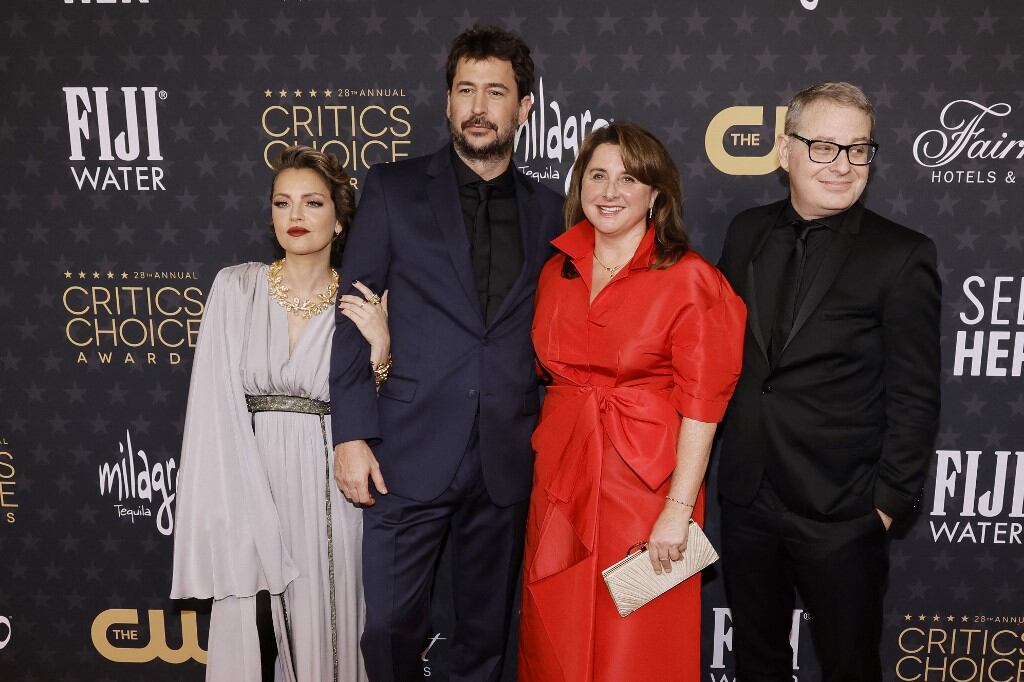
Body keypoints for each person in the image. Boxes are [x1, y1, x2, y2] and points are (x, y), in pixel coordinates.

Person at [328, 25, 564, 682]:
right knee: (390, 628)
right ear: (447, 102)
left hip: (505, 454)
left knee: (485, 633)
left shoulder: (552, 212)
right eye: (466, 90)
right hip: (406, 445)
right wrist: (350, 433)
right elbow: (353, 315)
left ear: (524, 108)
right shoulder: (395, 188)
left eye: (497, 92)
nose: (479, 107)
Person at [716, 81, 941, 682]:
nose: (842, 165)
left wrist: (886, 507)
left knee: (849, 666)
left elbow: (916, 393)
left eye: (858, 149)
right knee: (756, 660)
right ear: (783, 149)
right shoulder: (745, 233)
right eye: (822, 147)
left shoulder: (902, 255)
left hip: (842, 510)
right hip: (747, 497)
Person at [518, 122, 746, 681]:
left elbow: (702, 405)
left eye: (628, 178)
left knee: (637, 643)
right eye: (597, 175)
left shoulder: (691, 279)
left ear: (656, 194)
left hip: (647, 486)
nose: (610, 190)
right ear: (579, 188)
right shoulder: (556, 272)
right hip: (561, 478)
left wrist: (677, 507)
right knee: (555, 635)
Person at [171, 146, 386, 682]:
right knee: (245, 616)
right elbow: (212, 402)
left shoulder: (361, 303)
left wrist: (381, 351)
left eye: (312, 203)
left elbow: (385, 412)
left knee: (332, 624)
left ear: (339, 219)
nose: (295, 216)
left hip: (329, 476)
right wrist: (228, 496)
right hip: (249, 470)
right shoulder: (236, 288)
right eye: (282, 202)